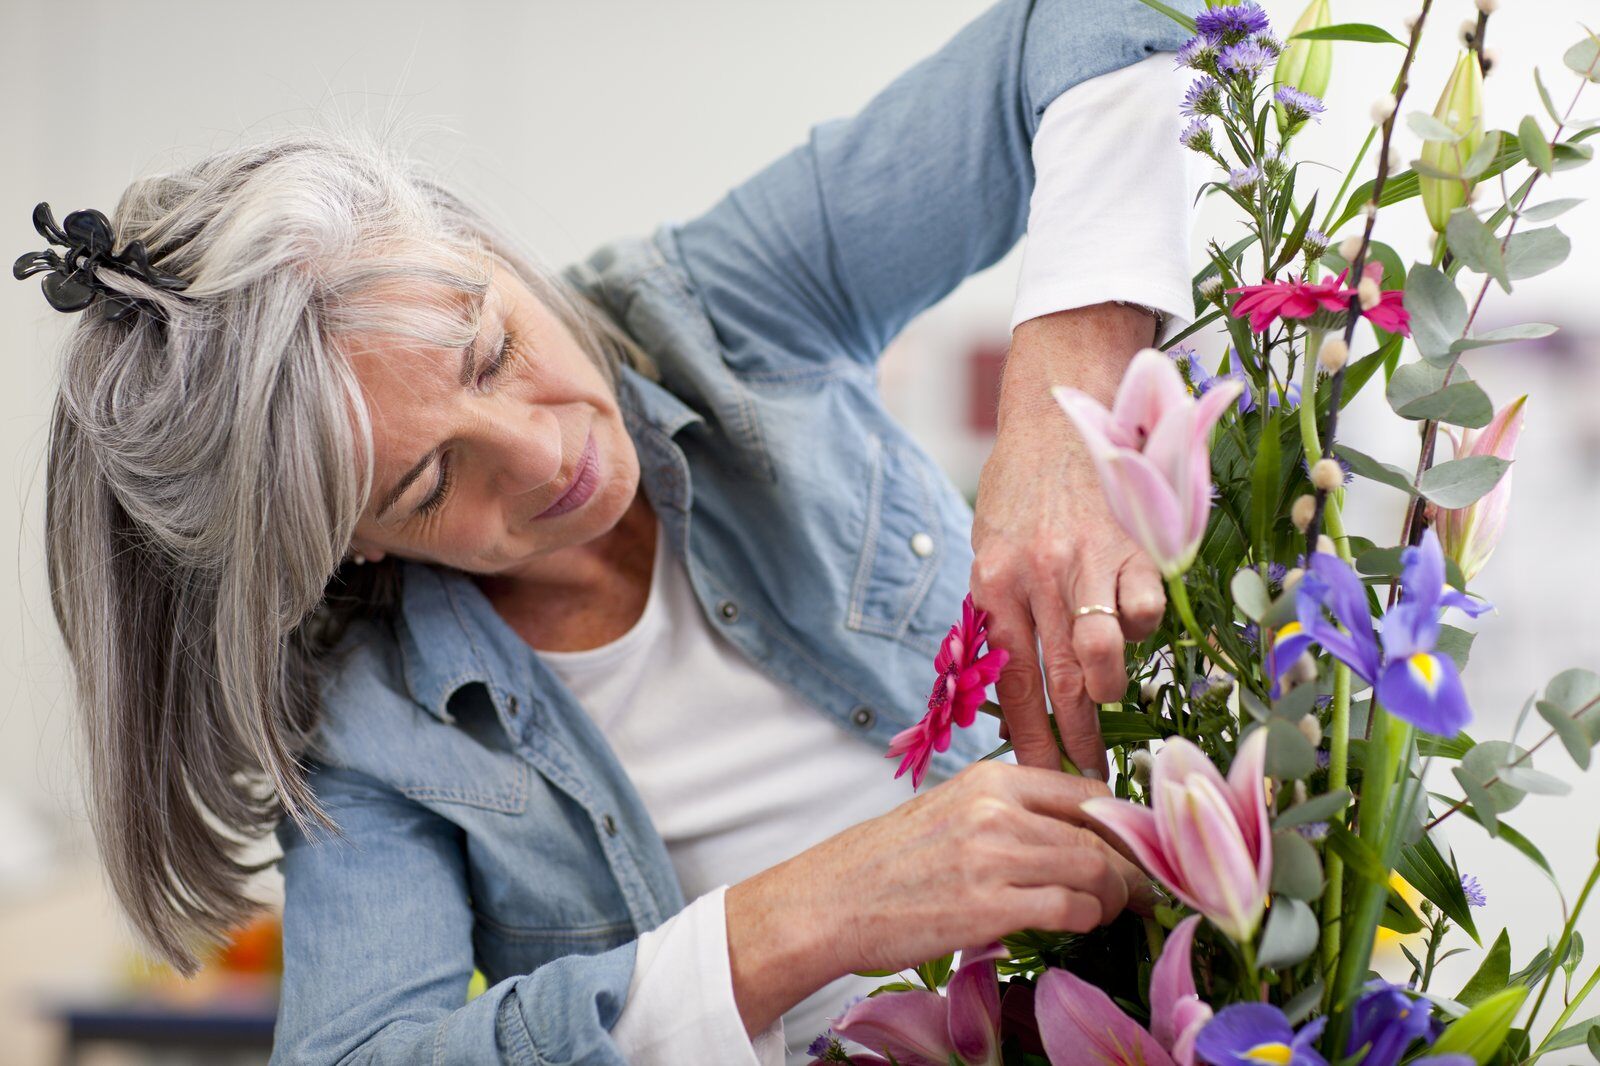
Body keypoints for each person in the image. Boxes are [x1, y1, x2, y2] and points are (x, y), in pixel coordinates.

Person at [25, 0, 1201, 1061]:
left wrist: (1060, 405)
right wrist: (805, 914)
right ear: (351, 544)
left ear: (477, 246)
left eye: (489, 350)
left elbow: (1111, 16)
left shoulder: (717, 310)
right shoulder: (368, 723)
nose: (549, 456)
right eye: (432, 481)